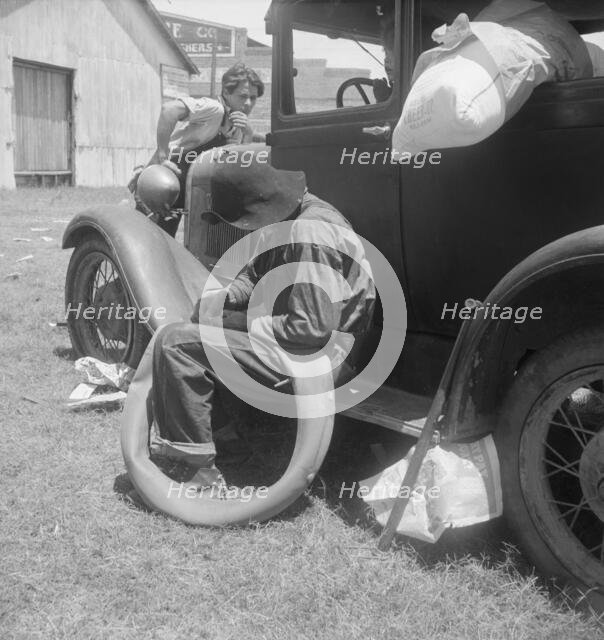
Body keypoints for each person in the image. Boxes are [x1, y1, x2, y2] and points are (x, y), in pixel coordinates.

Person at [149, 151, 376, 491]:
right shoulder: (287, 217)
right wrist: (223, 298)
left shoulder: (310, 233)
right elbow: (255, 273)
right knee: (191, 334)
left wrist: (232, 321)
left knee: (177, 345)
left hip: (321, 359)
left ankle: (196, 472)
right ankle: (230, 445)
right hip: (304, 347)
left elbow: (311, 328)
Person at [130, 62, 265, 236]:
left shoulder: (239, 124)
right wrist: (163, 157)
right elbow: (169, 110)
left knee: (175, 248)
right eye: (243, 96)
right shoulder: (214, 109)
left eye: (253, 98)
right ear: (226, 92)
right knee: (146, 243)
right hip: (160, 186)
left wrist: (247, 134)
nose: (248, 103)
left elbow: (236, 168)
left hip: (187, 193)